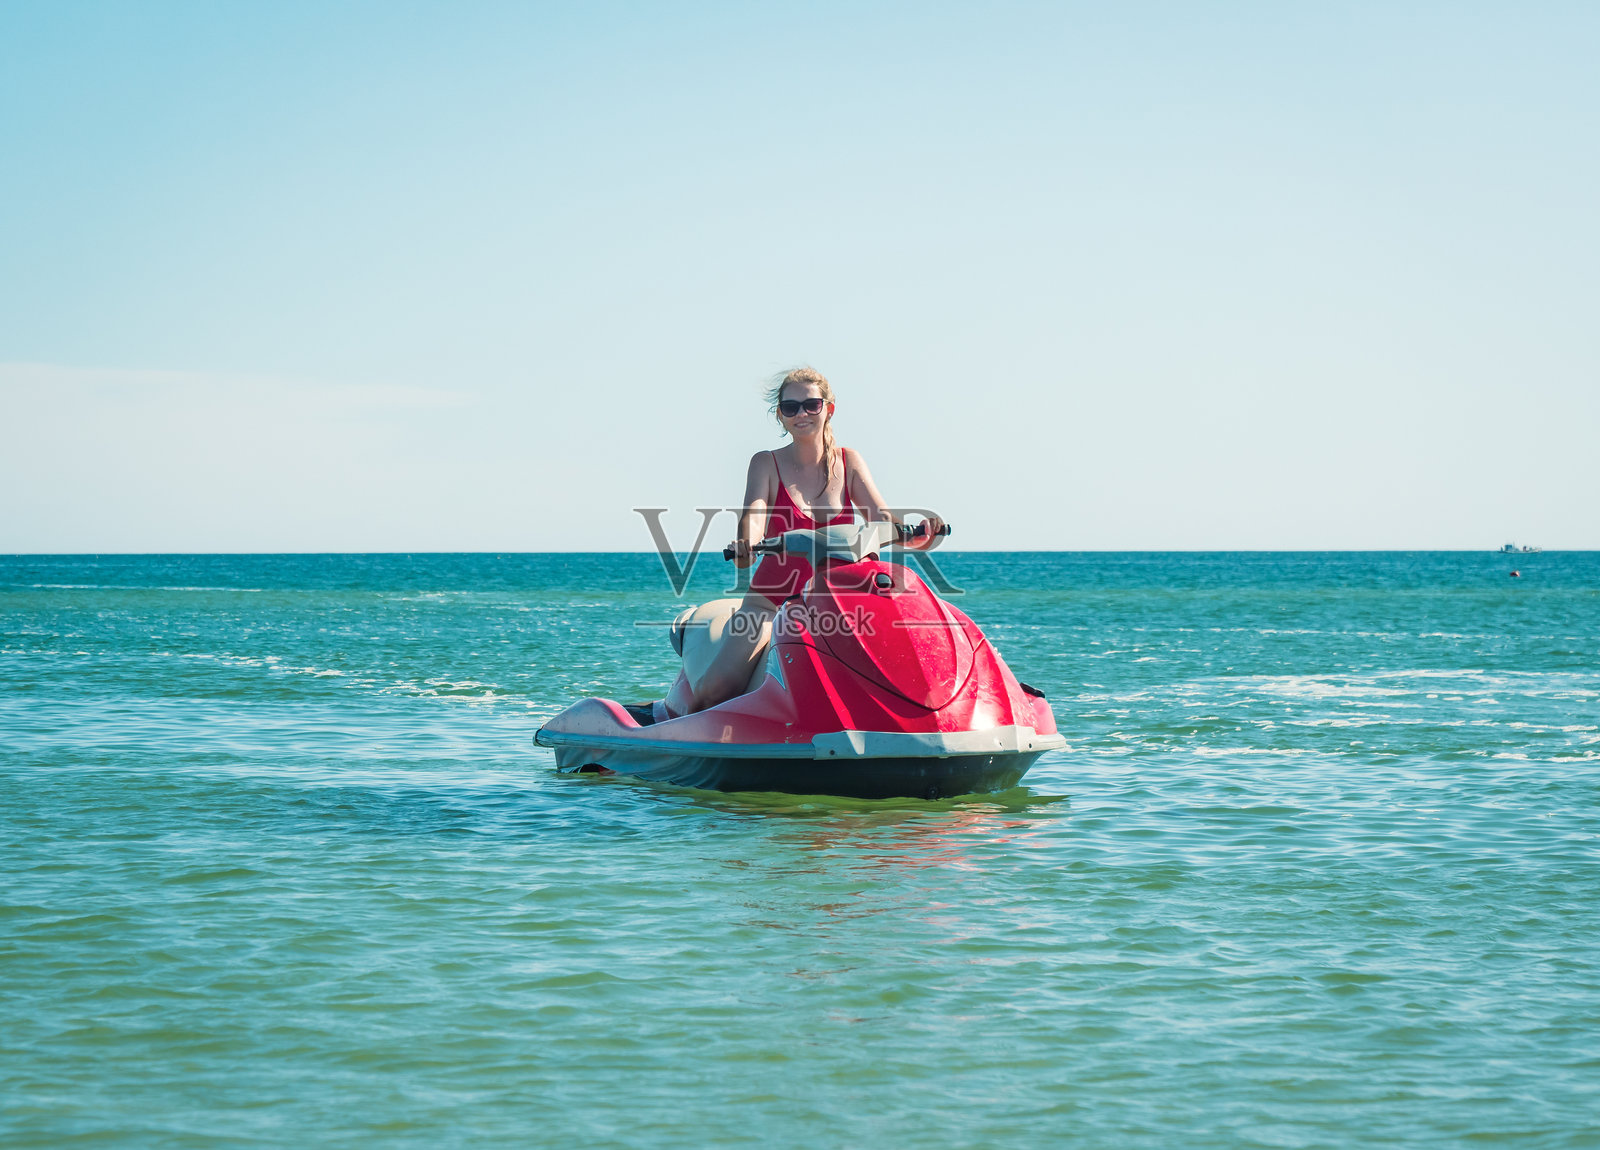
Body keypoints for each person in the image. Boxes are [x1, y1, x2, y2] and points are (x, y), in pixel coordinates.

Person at [676, 366, 946, 715]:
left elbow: (883, 522)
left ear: (828, 409)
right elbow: (754, 517)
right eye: (790, 408)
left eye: (810, 405)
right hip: (772, 605)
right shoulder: (765, 463)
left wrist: (921, 535)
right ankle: (689, 729)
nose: (801, 414)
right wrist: (746, 544)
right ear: (780, 416)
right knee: (716, 691)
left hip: (842, 606)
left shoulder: (849, 462)